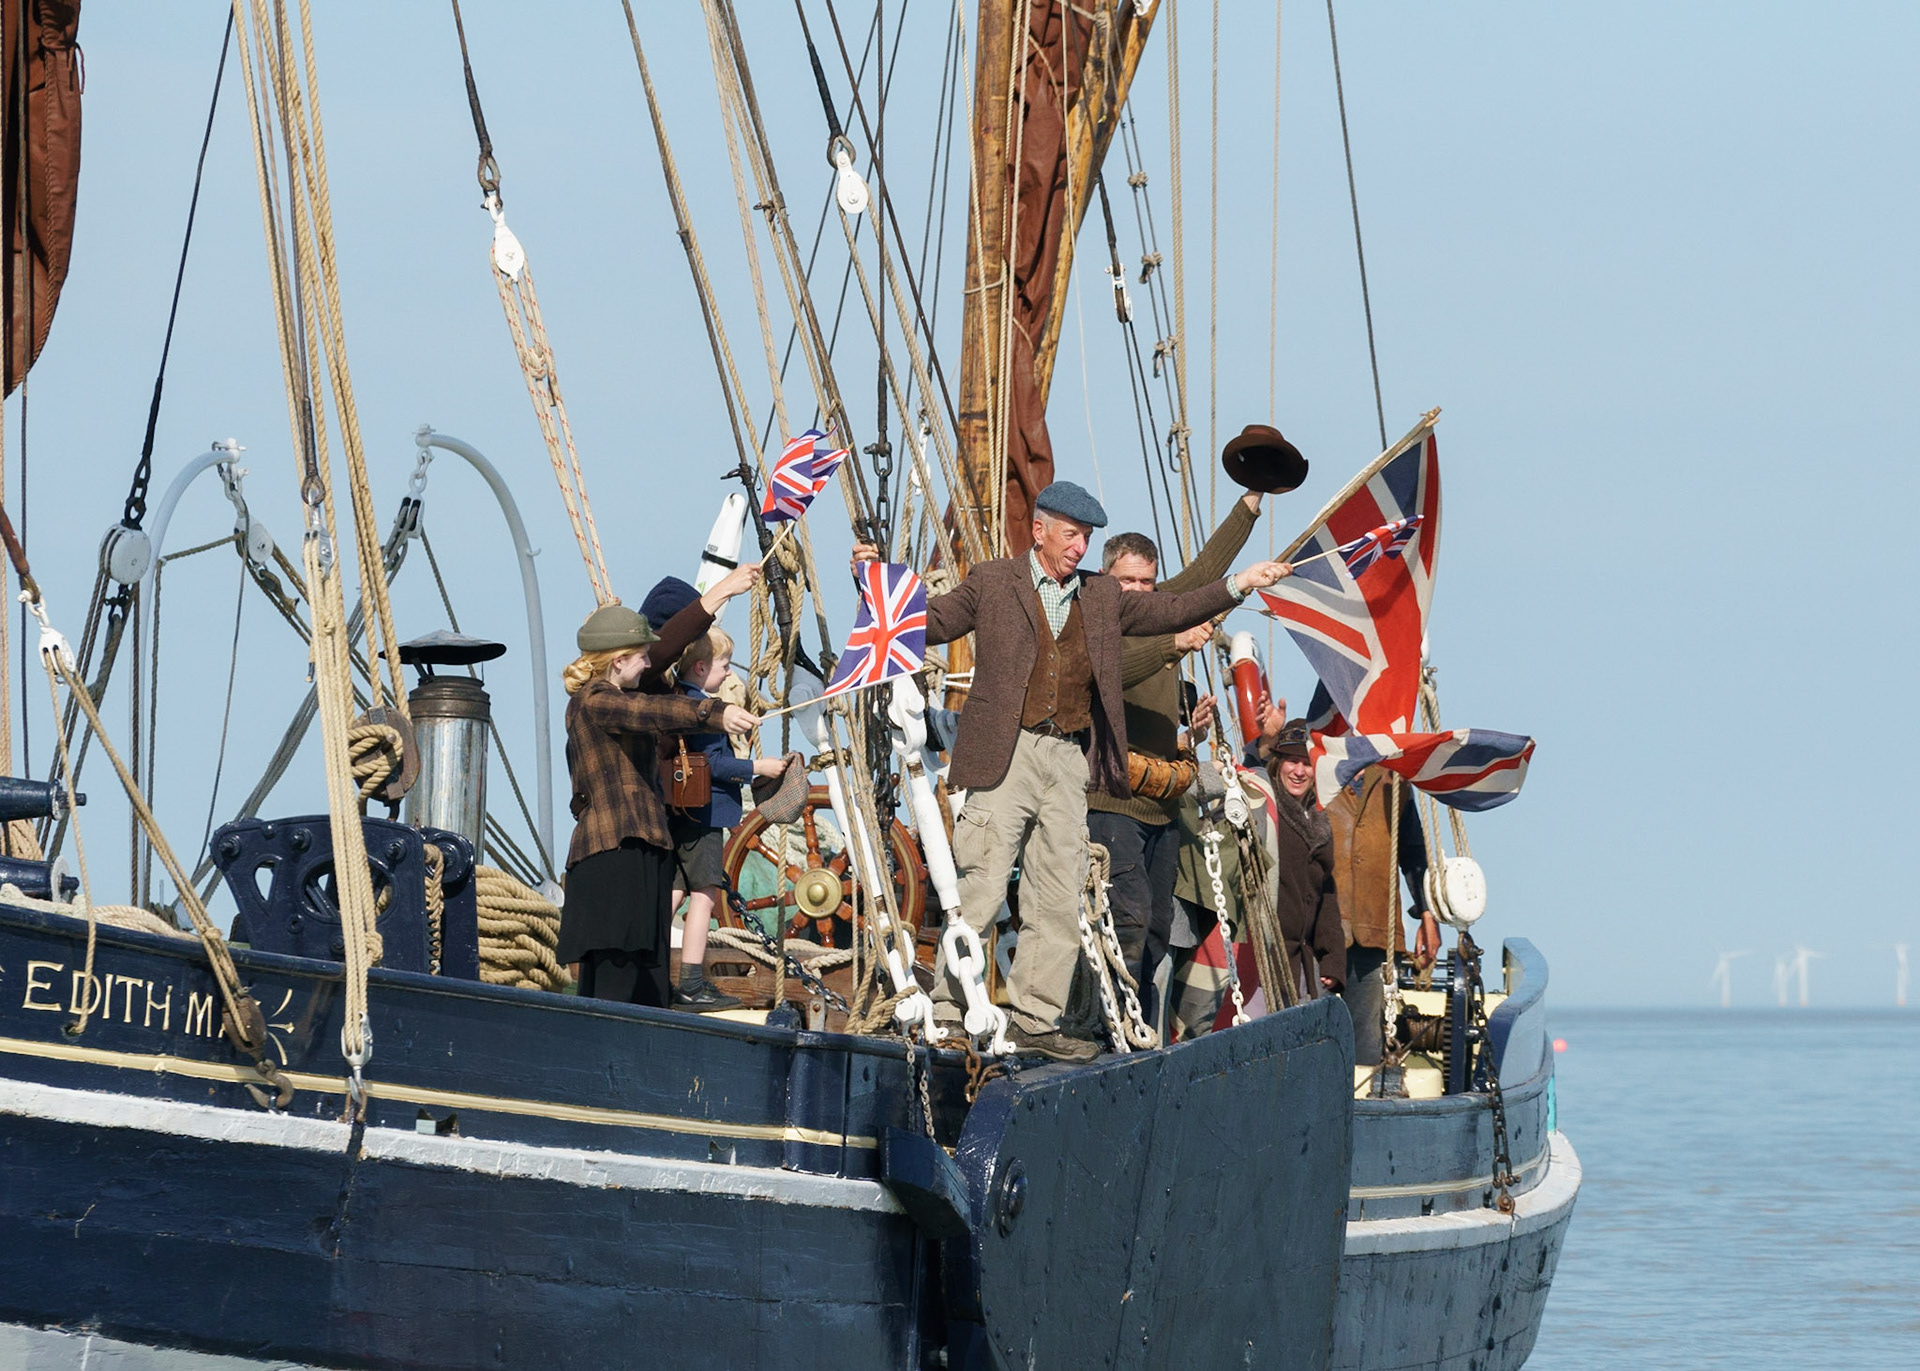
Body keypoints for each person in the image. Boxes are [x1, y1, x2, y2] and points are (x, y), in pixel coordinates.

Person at [856, 480, 1293, 1061]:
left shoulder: (1101, 596)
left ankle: (1035, 1019)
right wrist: (873, 583)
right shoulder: (992, 581)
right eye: (1070, 535)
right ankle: (950, 1010)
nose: (1079, 547)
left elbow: (1172, 606)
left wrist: (1240, 583)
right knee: (983, 884)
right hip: (1006, 751)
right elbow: (929, 622)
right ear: (1039, 531)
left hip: (1067, 757)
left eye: (1086, 537)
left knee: (1059, 892)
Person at [1086, 489, 1265, 1025]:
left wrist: (1251, 502)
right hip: (1112, 804)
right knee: (1126, 919)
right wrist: (1175, 644)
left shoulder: (1158, 614)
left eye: (1148, 582)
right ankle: (1108, 1031)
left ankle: (1139, 1029)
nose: (1139, 592)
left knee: (1157, 929)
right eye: (1128, 581)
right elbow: (1116, 672)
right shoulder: (1095, 622)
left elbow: (1206, 572)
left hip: (1160, 806)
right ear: (1105, 579)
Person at [558, 565, 762, 1008]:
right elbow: (652, 713)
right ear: (618, 660)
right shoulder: (595, 702)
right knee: (615, 986)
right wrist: (715, 713)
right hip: (614, 853)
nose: (653, 663)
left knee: (648, 987)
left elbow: (656, 701)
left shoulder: (622, 695)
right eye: (643, 656)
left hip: (644, 849)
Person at [667, 626, 790, 1012]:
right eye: (724, 665)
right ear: (701, 668)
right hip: (704, 816)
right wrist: (759, 768)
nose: (728, 674)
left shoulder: (678, 700)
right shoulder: (703, 710)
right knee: (704, 897)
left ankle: (647, 969)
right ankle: (690, 983)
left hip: (681, 814)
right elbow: (714, 764)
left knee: (672, 895)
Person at [1327, 766, 1439, 1066]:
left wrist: (1427, 915)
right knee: (1308, 1032)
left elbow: (1413, 853)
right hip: (1317, 932)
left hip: (1375, 930)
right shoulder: (1312, 766)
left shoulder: (1395, 781)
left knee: (1365, 1044)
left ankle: (1362, 1093)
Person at [1264, 718, 1346, 1002]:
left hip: (1300, 966)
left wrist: (1332, 959)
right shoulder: (1264, 806)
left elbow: (1325, 895)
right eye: (1291, 761)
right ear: (1278, 764)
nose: (1299, 771)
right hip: (1262, 963)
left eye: (1307, 763)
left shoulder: (1319, 821)